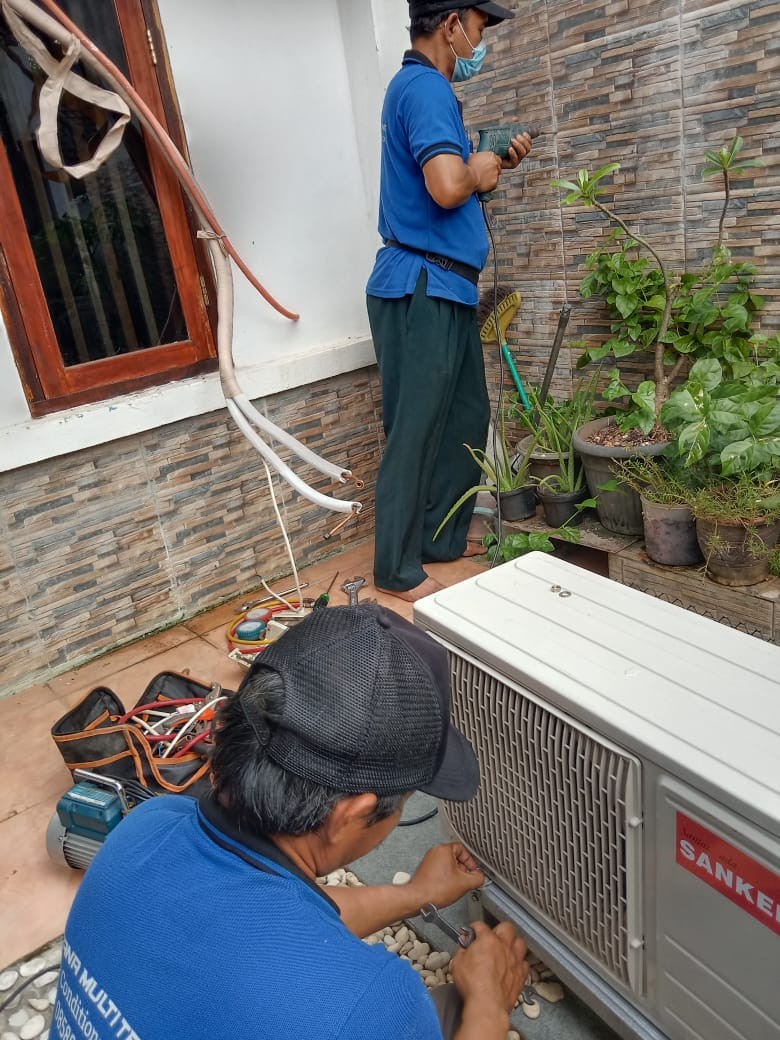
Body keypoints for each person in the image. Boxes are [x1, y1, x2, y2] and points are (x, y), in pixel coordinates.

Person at [52, 604, 529, 1040]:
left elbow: (284, 925)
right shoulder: (370, 1008)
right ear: (350, 816)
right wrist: (490, 1004)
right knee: (451, 1012)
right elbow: (293, 949)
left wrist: (416, 895)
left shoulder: (146, 827)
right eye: (403, 800)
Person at [366, 2, 533, 603]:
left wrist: (488, 164)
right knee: (415, 428)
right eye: (480, 28)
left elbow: (446, 185)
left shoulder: (427, 91)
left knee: (465, 416)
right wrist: (477, 170)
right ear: (452, 23)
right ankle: (395, 567)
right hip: (421, 285)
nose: (481, 43)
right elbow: (445, 187)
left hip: (447, 284)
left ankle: (438, 538)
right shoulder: (425, 88)